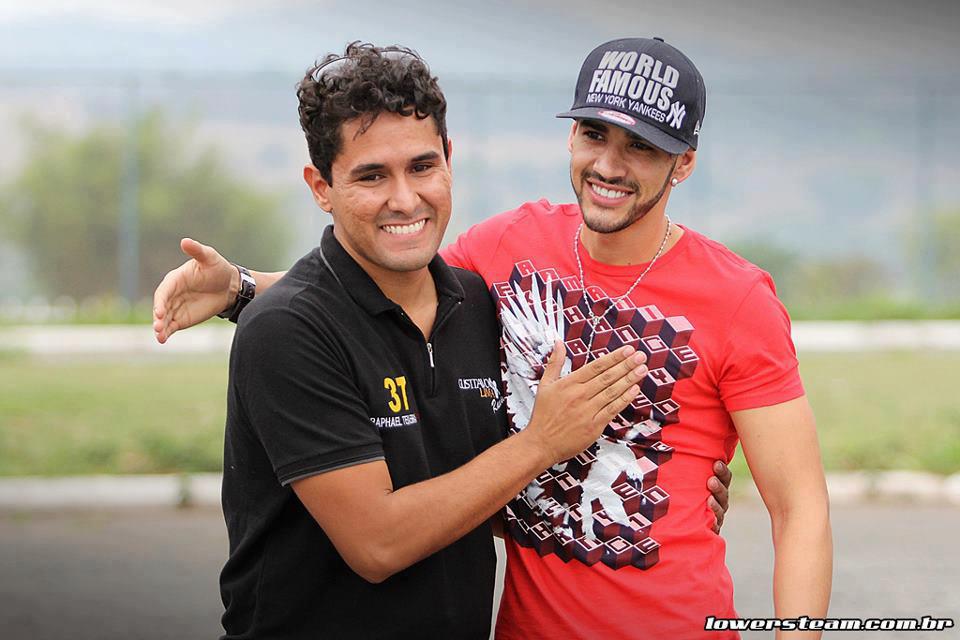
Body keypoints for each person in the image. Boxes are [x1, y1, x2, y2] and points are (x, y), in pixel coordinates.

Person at [153, 38, 823, 640]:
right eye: (594, 134)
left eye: (641, 147)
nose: (609, 164)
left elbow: (799, 509)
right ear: (571, 136)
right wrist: (244, 289)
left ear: (684, 163)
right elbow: (383, 284)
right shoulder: (509, 247)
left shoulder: (738, 299)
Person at [212, 43, 656, 640]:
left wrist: (678, 484)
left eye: (422, 167)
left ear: (449, 158)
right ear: (321, 186)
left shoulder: (477, 305)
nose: (404, 199)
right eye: (372, 176)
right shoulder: (287, 329)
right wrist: (541, 443)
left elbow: (490, 498)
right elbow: (377, 544)